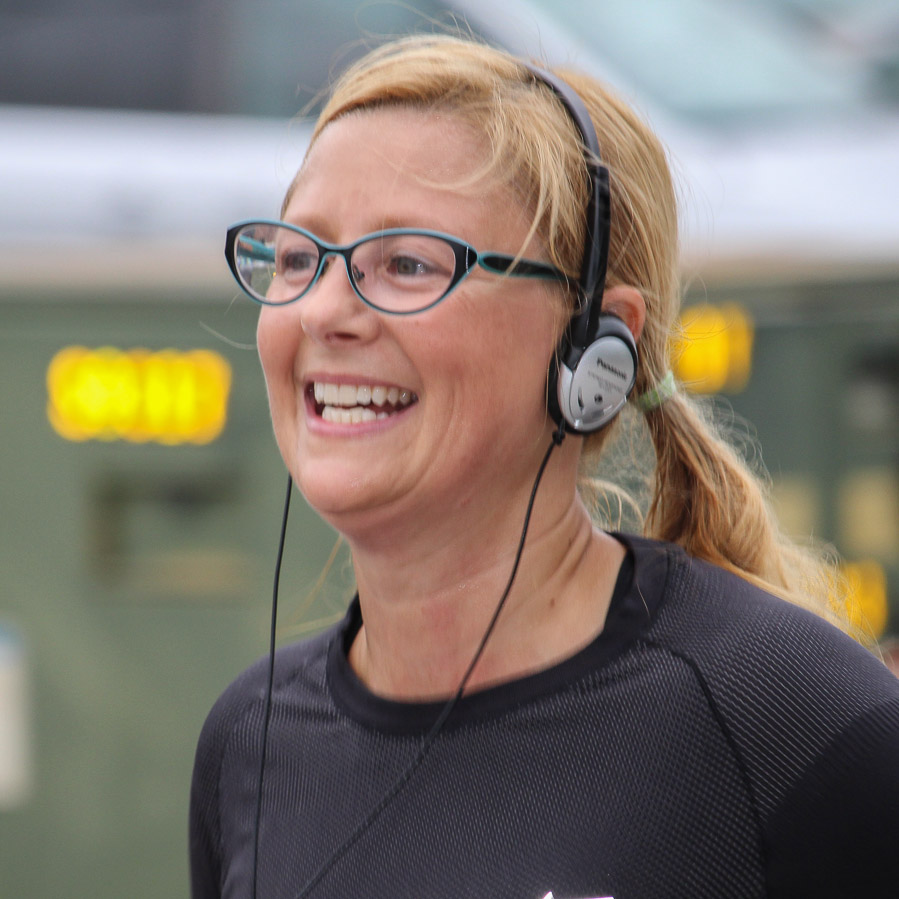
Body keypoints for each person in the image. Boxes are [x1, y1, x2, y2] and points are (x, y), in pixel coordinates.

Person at [190, 33, 899, 899]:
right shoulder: (250, 742)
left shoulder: (791, 721)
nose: (323, 311)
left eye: (408, 263)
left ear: (593, 345)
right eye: (300, 257)